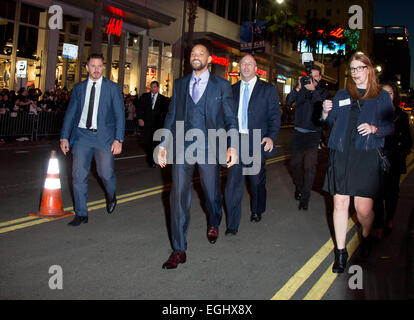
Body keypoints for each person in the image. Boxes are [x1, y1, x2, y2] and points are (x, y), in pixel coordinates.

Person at [157, 42, 238, 269]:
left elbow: (231, 119)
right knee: (178, 197)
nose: (196, 56)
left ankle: (214, 219)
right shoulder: (180, 84)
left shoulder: (222, 85)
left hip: (210, 147)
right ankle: (179, 249)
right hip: (183, 146)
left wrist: (232, 146)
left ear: (209, 59)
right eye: (193, 53)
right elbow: (171, 116)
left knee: (211, 194)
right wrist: (163, 144)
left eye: (201, 53)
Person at [321, 53, 394, 273]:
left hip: (365, 155)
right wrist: (325, 111)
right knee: (340, 204)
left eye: (360, 68)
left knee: (363, 211)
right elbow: (327, 121)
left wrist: (375, 129)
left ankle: (366, 234)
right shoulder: (343, 94)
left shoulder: (380, 96)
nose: (356, 73)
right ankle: (341, 253)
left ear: (369, 70)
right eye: (352, 69)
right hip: (341, 154)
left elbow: (389, 127)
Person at [60, 53, 125, 227]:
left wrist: (118, 139)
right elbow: (71, 114)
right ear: (87, 67)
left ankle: (111, 195)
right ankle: (81, 213)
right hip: (82, 136)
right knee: (78, 175)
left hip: (104, 138)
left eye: (99, 66)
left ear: (103, 67)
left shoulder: (112, 88)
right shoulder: (79, 88)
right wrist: (64, 137)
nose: (96, 69)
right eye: (93, 66)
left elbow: (120, 115)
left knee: (105, 173)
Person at [224, 54, 280, 234]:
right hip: (235, 140)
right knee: (233, 183)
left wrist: (271, 136)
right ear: (239, 68)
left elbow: (274, 115)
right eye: (243, 64)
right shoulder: (231, 90)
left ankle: (257, 209)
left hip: (257, 139)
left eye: (250, 64)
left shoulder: (268, 89)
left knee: (256, 181)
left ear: (256, 68)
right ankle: (232, 224)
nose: (246, 67)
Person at [372, 81, 412, 238]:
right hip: (377, 158)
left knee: (392, 192)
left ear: (394, 95)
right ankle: (378, 224)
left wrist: (401, 153)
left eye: (389, 93)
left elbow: (408, 141)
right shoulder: (374, 113)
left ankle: (390, 218)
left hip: (394, 160)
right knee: (376, 193)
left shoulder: (401, 115)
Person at [286, 65, 329, 210]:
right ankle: (299, 187)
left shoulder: (323, 91)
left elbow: (321, 106)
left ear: (320, 78)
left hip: (314, 133)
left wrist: (313, 90)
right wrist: (298, 87)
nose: (313, 79)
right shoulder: (302, 88)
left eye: (316, 76)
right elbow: (288, 101)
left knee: (309, 166)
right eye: (311, 76)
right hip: (299, 132)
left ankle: (305, 198)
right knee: (295, 164)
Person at [137, 81, 169, 167]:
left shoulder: (163, 99)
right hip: (146, 124)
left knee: (155, 143)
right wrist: (140, 118)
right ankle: (150, 156)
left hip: (157, 125)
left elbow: (166, 112)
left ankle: (152, 160)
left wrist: (164, 123)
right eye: (152, 87)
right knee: (146, 142)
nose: (153, 88)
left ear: (158, 88)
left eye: (155, 87)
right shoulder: (145, 97)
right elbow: (140, 108)